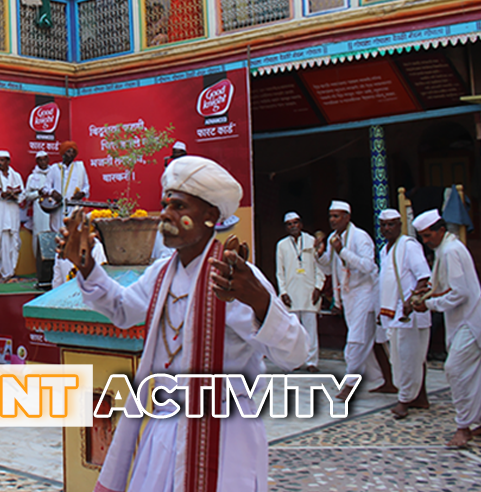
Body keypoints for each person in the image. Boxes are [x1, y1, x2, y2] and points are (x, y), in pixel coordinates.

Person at [65, 155, 308, 492]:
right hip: (164, 432)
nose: (166, 214)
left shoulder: (233, 277)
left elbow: (296, 354)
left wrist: (259, 301)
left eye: (179, 206)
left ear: (210, 216)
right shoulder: (161, 273)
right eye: (165, 204)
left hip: (224, 433)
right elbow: (122, 310)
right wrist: (87, 266)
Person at [409, 209, 481, 448]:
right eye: (422, 237)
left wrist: (429, 304)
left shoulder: (451, 251)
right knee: (475, 374)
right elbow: (446, 285)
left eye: (428, 236)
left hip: (470, 322)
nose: (426, 241)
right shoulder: (445, 250)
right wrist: (428, 293)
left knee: (455, 369)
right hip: (462, 322)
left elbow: (460, 293)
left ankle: (463, 427)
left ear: (441, 230)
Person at [317, 200, 384, 398]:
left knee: (355, 340)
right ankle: (385, 380)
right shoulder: (333, 238)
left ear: (347, 217)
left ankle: (350, 384)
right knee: (365, 340)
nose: (332, 220)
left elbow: (368, 266)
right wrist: (319, 255)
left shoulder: (361, 237)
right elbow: (329, 269)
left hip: (365, 292)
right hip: (348, 295)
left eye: (336, 216)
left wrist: (342, 251)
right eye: (330, 216)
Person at [376, 209, 433, 419]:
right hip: (392, 312)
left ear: (400, 225)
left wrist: (411, 301)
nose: (387, 228)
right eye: (383, 225)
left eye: (391, 224)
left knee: (408, 359)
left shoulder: (409, 246)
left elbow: (423, 277)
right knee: (406, 357)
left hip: (409, 313)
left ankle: (404, 400)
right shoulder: (384, 250)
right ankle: (420, 397)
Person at [275, 211, 323, 373]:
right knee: (293, 332)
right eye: (289, 224)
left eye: (295, 223)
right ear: (286, 227)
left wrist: (318, 287)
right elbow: (280, 271)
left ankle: (311, 362)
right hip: (291, 293)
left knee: (311, 330)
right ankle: (295, 361)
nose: (293, 226)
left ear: (301, 224)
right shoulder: (281, 245)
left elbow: (320, 266)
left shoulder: (311, 241)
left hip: (309, 291)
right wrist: (283, 292)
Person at [0, 150, 26, 283]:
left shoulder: (16, 176)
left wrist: (14, 196)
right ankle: (3, 272)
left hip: (12, 215)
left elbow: (23, 194)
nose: (0, 163)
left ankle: (11, 271)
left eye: (2, 160)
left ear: (8, 161)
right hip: (0, 216)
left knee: (14, 243)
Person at [23, 151, 63, 288]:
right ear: (37, 162)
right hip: (39, 210)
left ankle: (55, 269)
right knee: (39, 238)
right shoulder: (32, 177)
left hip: (54, 209)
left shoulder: (55, 173)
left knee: (54, 235)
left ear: (48, 160)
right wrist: (37, 193)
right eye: (40, 160)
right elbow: (27, 195)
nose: (43, 162)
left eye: (45, 159)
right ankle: (41, 270)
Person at [56, 141, 90, 219]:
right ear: (63, 153)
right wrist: (53, 192)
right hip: (58, 207)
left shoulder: (80, 167)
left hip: (75, 206)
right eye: (68, 152)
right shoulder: (55, 168)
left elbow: (86, 186)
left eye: (73, 152)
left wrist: (82, 193)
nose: (71, 154)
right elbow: (46, 188)